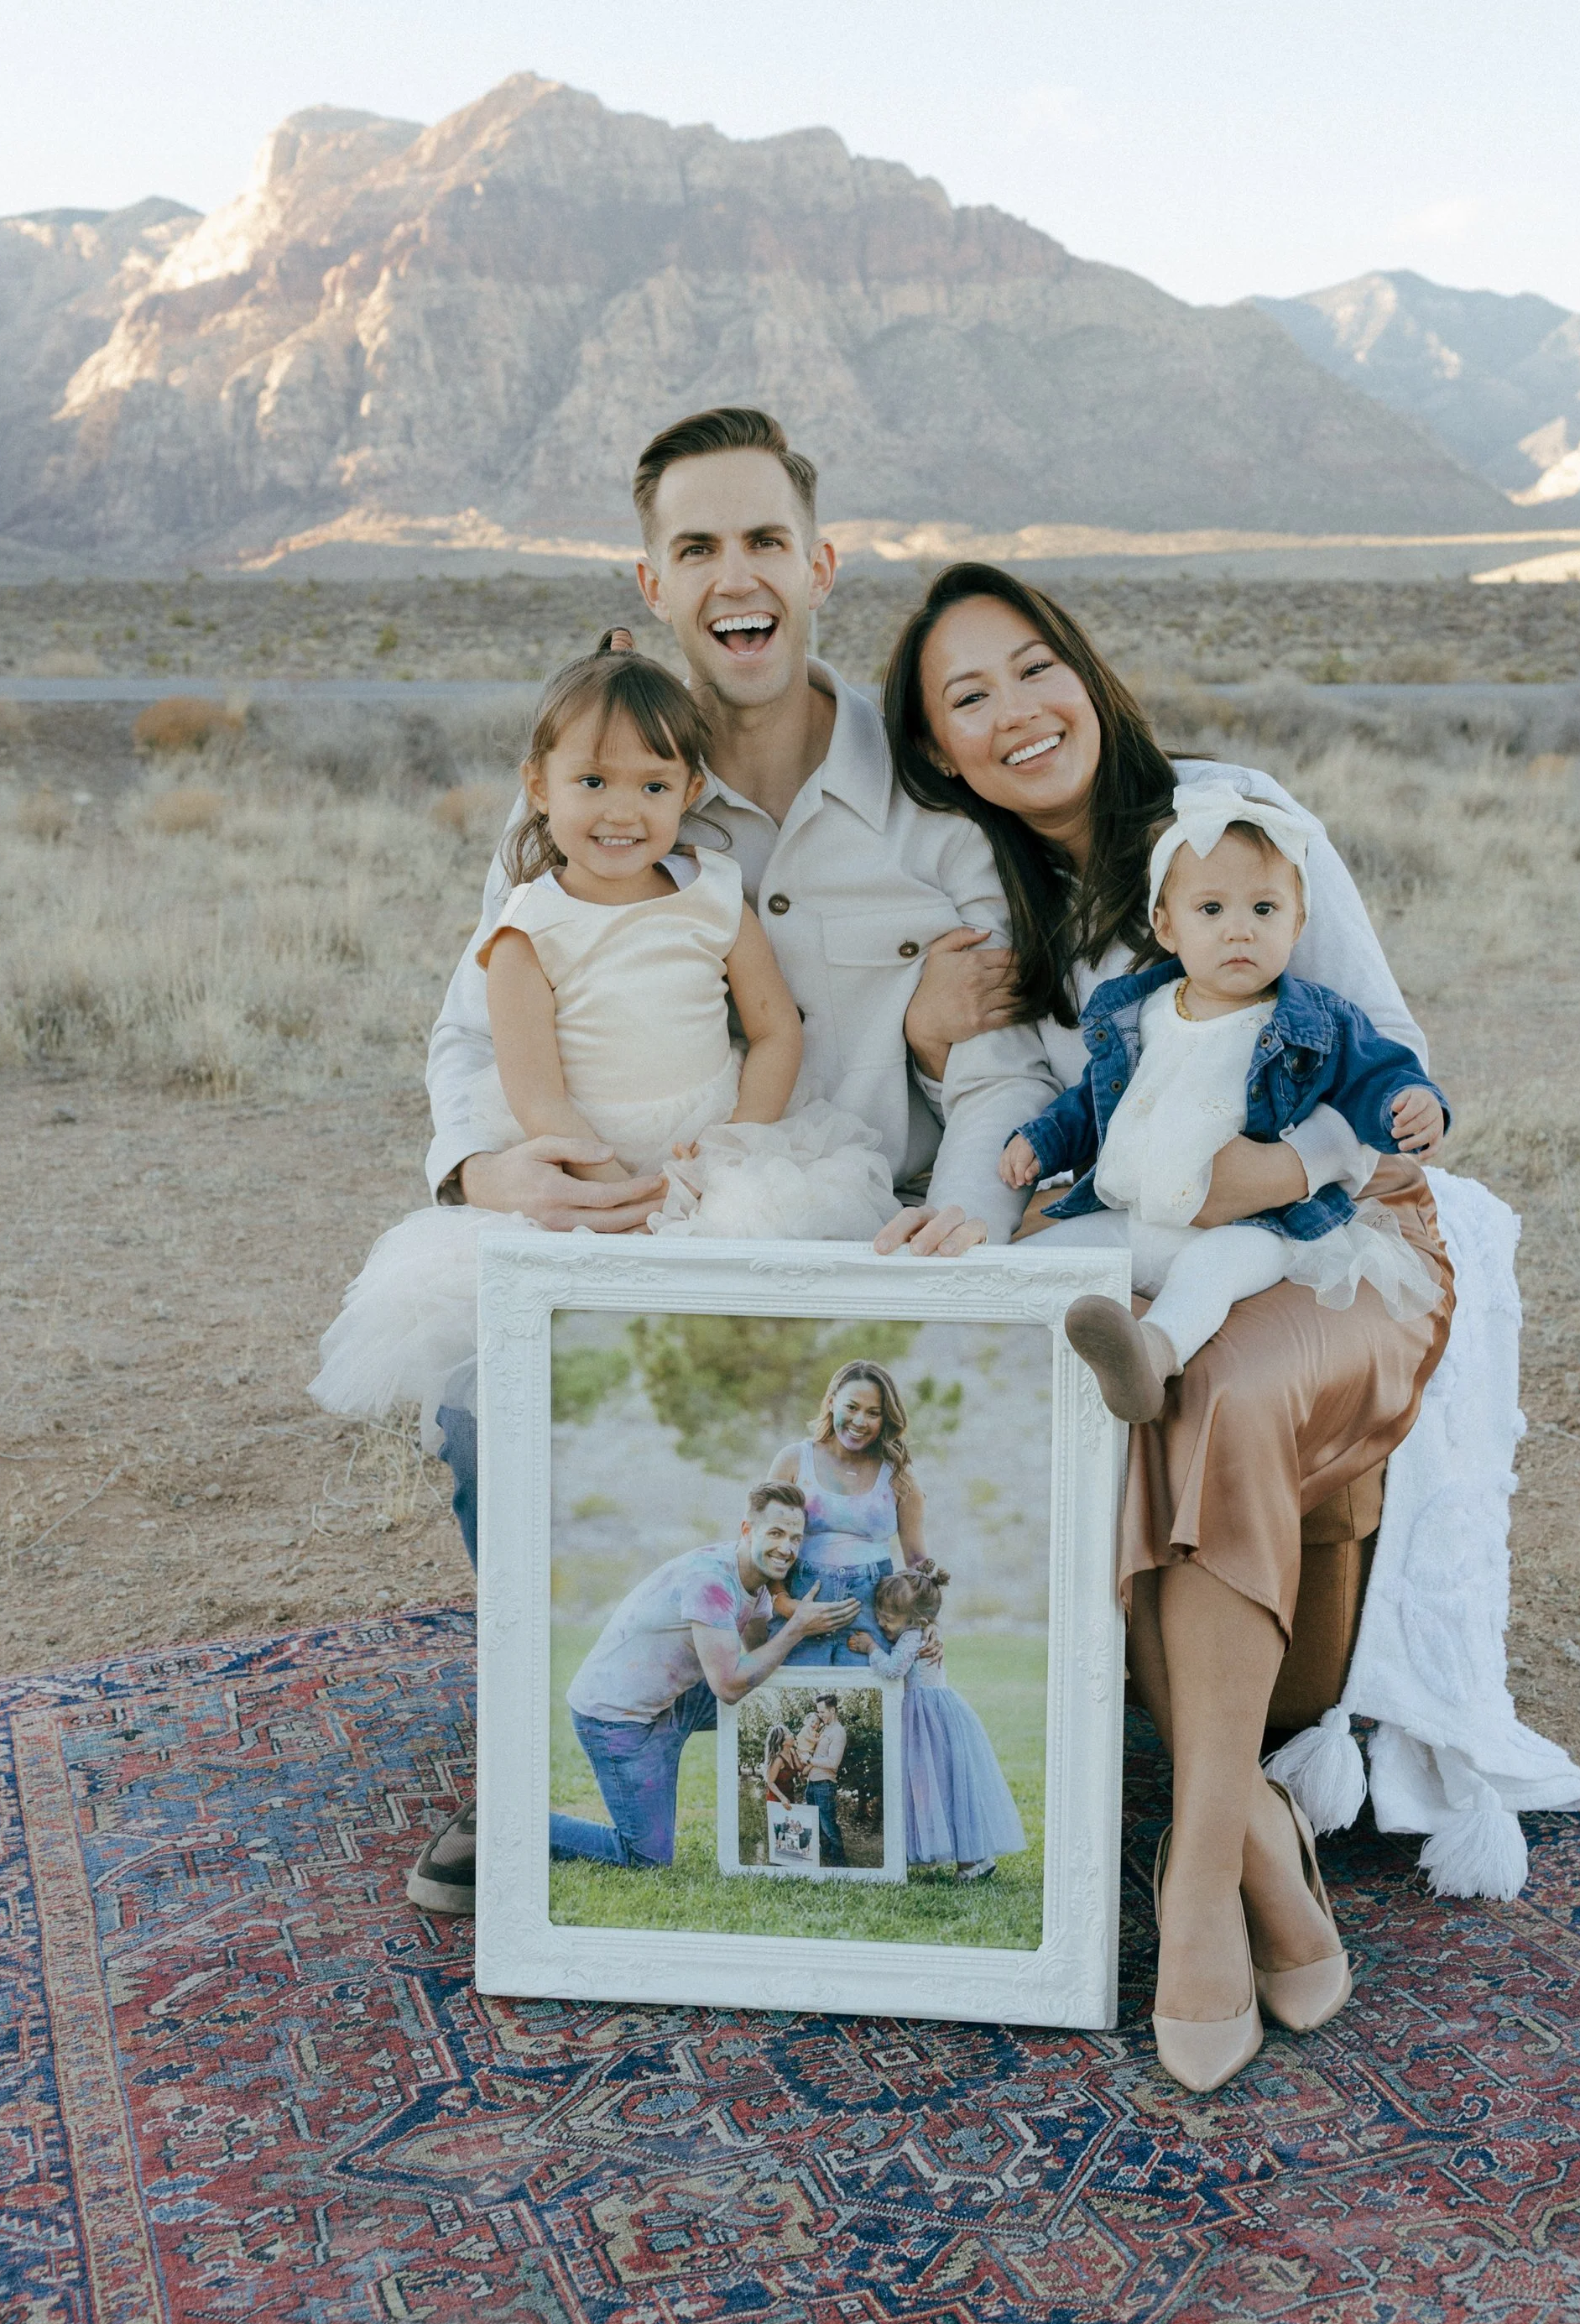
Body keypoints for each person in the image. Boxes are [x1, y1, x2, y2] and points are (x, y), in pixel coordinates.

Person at [394, 405, 1039, 1914]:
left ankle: (824, 1748)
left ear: (820, 566)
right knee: (484, 1402)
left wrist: (956, 1227)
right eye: (698, 546)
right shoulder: (587, 788)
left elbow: (1005, 1067)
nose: (734, 574)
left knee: (840, 1491)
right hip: (620, 1211)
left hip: (849, 1230)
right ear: (653, 584)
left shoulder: (933, 796)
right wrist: (492, 1172)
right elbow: (466, 1035)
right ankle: (546, 1748)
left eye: (764, 540)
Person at [882, 561, 1455, 2092]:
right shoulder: (1005, 908)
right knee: (1118, 1376)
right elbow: (1019, 1103)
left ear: (1085, 668)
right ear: (940, 749)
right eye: (968, 696)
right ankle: (1252, 1828)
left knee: (1205, 1385)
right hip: (1154, 1250)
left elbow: (1398, 1093)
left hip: (1340, 1247)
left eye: (1032, 666)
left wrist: (1288, 1165)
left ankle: (1193, 1871)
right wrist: (977, 1203)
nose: (1016, 711)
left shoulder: (1239, 826)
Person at [307, 645, 896, 1438]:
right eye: (593, 782)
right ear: (538, 787)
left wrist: (736, 1145)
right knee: (564, 1378)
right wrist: (614, 1185)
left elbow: (774, 1028)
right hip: (583, 1165)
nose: (623, 811)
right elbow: (536, 1090)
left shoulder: (713, 895)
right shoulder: (525, 930)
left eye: (652, 785)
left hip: (711, 1152)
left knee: (734, 1350)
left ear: (689, 790)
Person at [1006, 782, 1448, 1423]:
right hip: (1140, 1215)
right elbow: (1093, 1105)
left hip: (1254, 1226)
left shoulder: (1315, 1023)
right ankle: (983, 1323)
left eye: (1264, 909)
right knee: (1052, 1256)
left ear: (1297, 922)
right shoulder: (1139, 1013)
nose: (1239, 929)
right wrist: (1043, 1140)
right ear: (1167, 925)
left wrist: (1409, 1101)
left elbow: (1375, 1074)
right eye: (1211, 909)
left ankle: (1152, 1354)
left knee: (1210, 1273)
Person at [555, 1484, 858, 1870]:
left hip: (672, 1702)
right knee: (646, 1859)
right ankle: (523, 1824)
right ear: (747, 1530)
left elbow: (760, 1655)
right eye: (776, 1534)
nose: (788, 1548)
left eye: (796, 1538)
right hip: (617, 1719)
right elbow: (731, 1686)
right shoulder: (712, 1581)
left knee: (767, 1692)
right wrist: (797, 1628)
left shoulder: (756, 1580)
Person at [847, 1561, 1025, 1878]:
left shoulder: (912, 1639)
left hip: (923, 1719)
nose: (880, 1622)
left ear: (918, 1620)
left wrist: (871, 1646)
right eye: (879, 1616)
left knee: (932, 1787)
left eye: (888, 1618)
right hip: (941, 1714)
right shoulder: (921, 1633)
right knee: (949, 1786)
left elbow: (893, 1670)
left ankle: (968, 1863)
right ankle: (976, 1859)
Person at [764, 1359, 929, 1663]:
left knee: (868, 1710)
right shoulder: (793, 1461)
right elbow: (761, 1543)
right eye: (851, 1407)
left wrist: (927, 1626)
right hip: (800, 1617)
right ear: (830, 1402)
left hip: (873, 1624)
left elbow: (918, 1564)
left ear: (885, 1419)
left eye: (874, 1413)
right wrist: (787, 1605)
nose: (860, 1421)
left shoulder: (899, 1478)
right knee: (799, 1710)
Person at [801, 1693, 850, 1865]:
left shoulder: (838, 1732)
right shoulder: (824, 1729)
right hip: (813, 1784)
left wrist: (809, 1760)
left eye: (822, 1712)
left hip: (825, 1785)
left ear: (833, 1710)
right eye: (818, 1712)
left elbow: (833, 1762)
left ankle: (840, 1861)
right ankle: (826, 1856)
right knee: (817, 1824)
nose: (819, 1716)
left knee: (828, 1824)